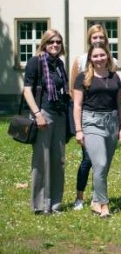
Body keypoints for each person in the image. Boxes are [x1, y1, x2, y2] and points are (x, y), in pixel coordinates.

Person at [72, 43, 121, 217]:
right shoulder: (83, 77)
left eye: (102, 55)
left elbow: (120, 103)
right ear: (90, 58)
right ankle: (104, 205)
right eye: (95, 56)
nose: (99, 59)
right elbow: (77, 106)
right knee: (100, 163)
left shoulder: (114, 77)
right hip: (91, 122)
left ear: (108, 56)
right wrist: (79, 130)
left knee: (103, 168)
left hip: (111, 122)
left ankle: (95, 201)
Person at [23, 29, 69, 214]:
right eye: (51, 42)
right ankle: (41, 205)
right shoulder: (36, 62)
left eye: (58, 42)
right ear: (44, 43)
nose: (55, 45)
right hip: (44, 113)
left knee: (58, 161)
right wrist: (37, 113)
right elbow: (27, 90)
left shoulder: (59, 64)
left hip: (59, 115)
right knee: (42, 161)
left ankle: (55, 204)